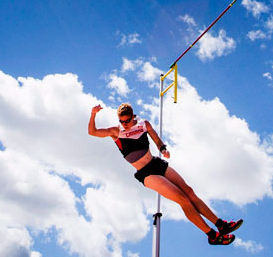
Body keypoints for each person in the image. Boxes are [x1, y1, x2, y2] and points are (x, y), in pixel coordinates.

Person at [88, 103, 243, 245]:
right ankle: (212, 235)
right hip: (146, 173)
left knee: (188, 191)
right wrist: (93, 114)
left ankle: (221, 225)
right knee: (183, 199)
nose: (124, 124)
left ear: (133, 116)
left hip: (156, 163)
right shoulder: (116, 131)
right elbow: (92, 132)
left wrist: (163, 149)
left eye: (127, 121)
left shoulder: (144, 124)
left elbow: (157, 140)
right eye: (121, 121)